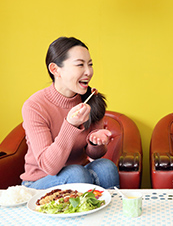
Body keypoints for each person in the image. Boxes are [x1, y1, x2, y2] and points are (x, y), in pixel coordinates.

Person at [21, 37, 119, 189]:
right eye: (80, 65)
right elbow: (50, 167)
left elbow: (94, 155)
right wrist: (70, 124)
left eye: (90, 64)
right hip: (40, 181)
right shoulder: (35, 106)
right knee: (76, 173)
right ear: (55, 69)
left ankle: (111, 213)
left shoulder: (91, 99)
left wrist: (95, 142)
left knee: (106, 167)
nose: (88, 71)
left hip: (79, 174)